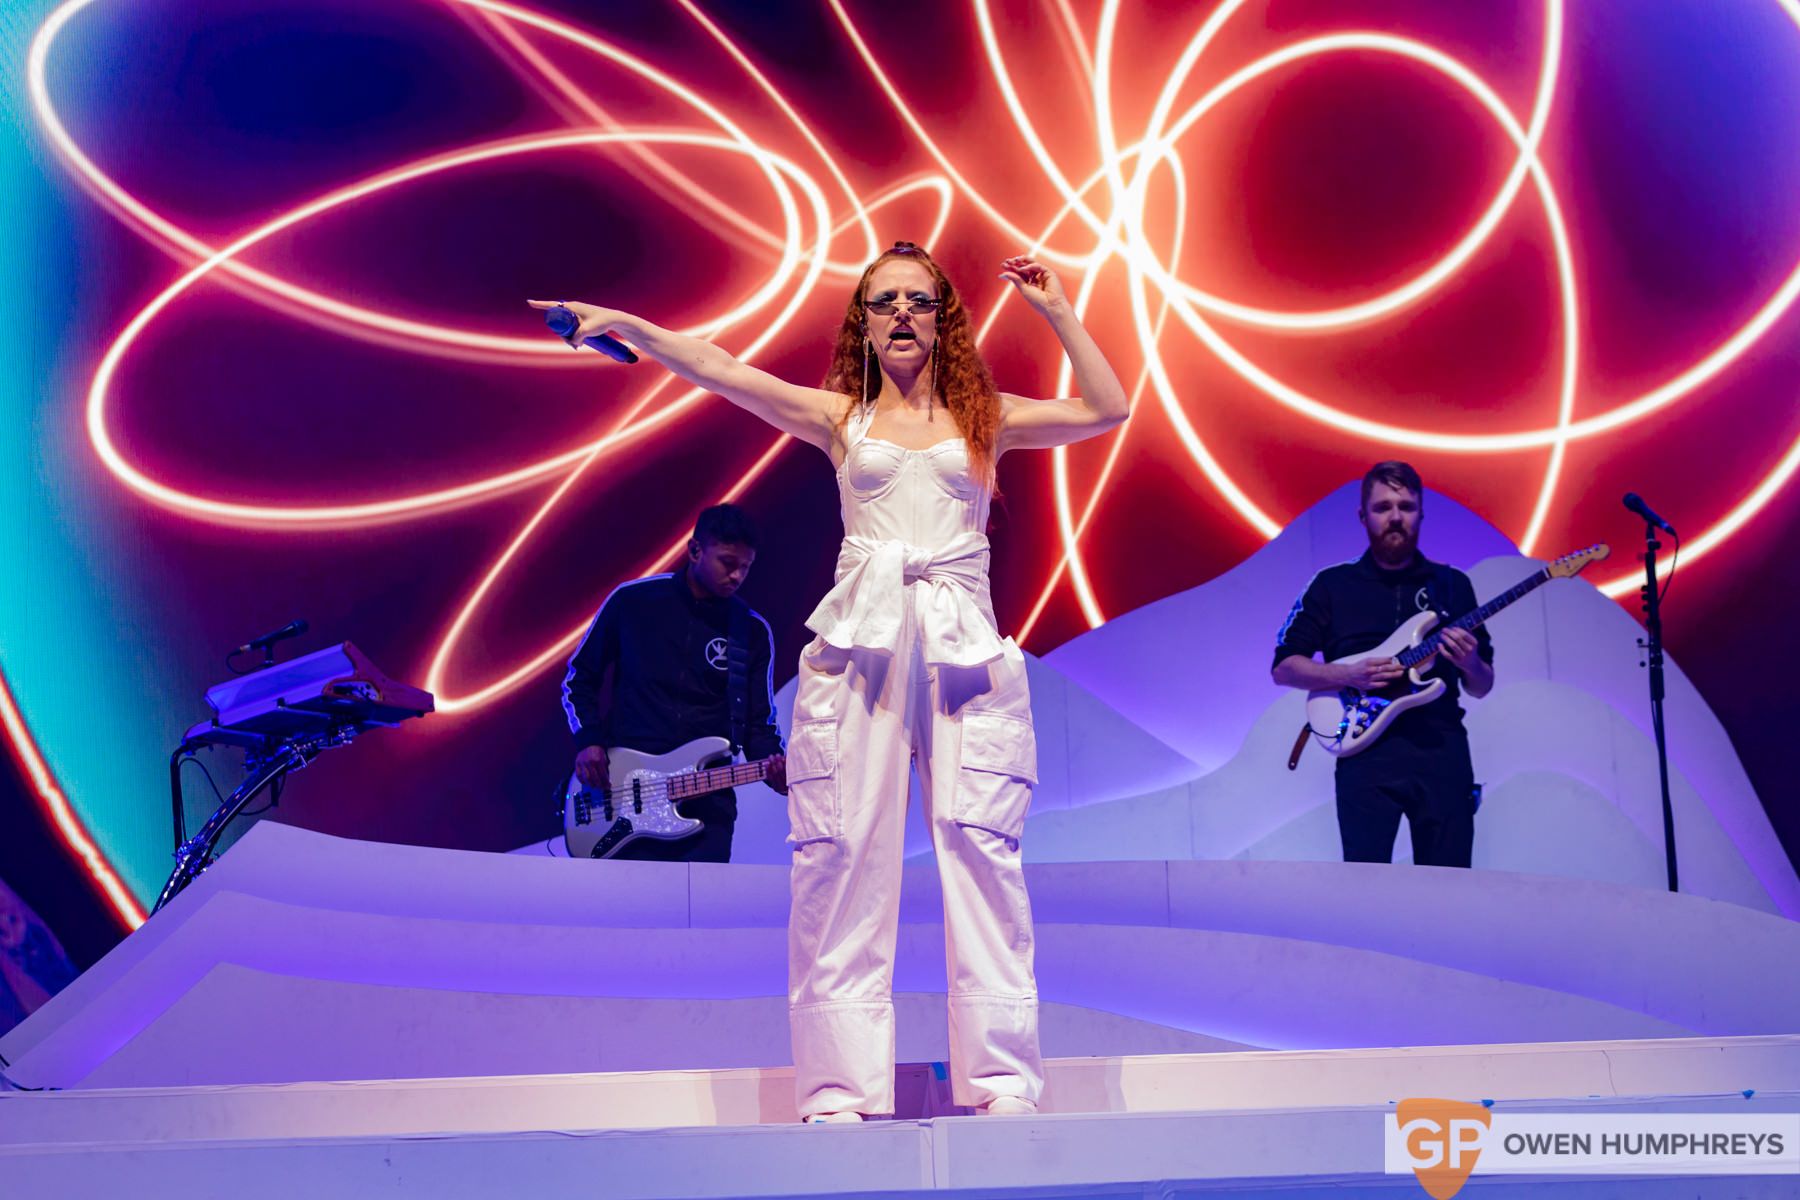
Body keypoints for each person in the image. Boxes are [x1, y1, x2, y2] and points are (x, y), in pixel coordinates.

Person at [532, 241, 1127, 1121]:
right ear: (864, 319)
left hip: (962, 641)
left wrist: (1056, 309)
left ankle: (1003, 1082)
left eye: (918, 301)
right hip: (863, 643)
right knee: (843, 854)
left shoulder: (982, 417)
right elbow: (724, 370)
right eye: (884, 300)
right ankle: (841, 1088)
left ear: (941, 319)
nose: (900, 314)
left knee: (981, 853)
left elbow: (1106, 409)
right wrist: (631, 327)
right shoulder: (841, 417)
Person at [1270, 461, 1496, 868]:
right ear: (1363, 516)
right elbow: (1284, 667)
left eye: (1406, 506)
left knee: (1452, 889)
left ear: (1421, 513)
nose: (1395, 517)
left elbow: (1481, 685)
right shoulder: (1331, 585)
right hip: (1365, 757)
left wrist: (1469, 661)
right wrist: (1347, 674)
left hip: (1440, 751)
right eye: (1383, 507)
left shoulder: (1451, 585)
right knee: (1366, 891)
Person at [562, 503, 788, 863]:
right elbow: (579, 679)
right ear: (695, 550)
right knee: (627, 913)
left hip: (709, 804)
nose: (737, 576)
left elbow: (759, 723)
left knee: (700, 914)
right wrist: (589, 741)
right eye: (728, 563)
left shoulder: (752, 631)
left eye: (746, 567)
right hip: (623, 790)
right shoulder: (632, 602)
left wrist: (776, 768)